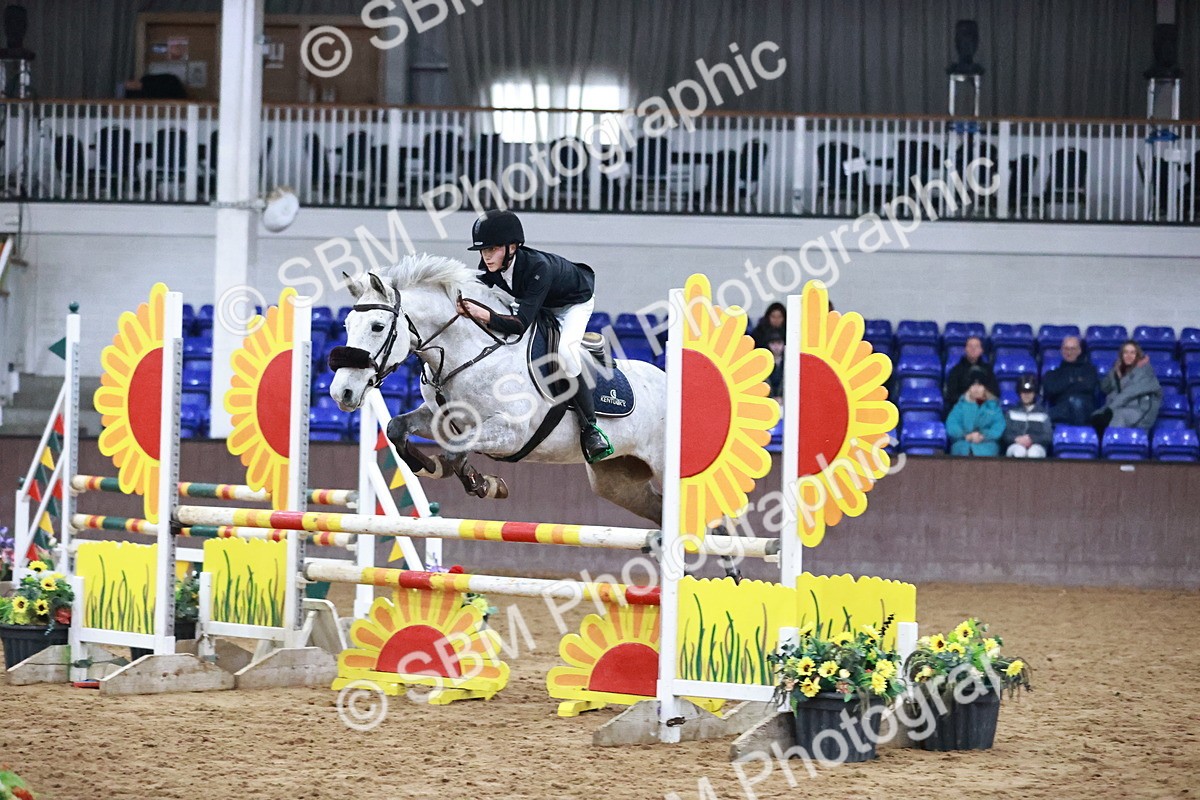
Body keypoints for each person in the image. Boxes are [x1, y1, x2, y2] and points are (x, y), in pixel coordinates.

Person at [458, 209, 612, 463]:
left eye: (492, 249)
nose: (486, 256)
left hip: (573, 304)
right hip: (541, 302)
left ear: (512, 247)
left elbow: (519, 324)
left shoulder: (537, 267)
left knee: (565, 353)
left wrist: (482, 314)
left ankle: (591, 428)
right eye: (483, 251)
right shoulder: (493, 266)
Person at [1091, 340, 1162, 433]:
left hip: (1139, 410)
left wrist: (1110, 409)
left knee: (1117, 417)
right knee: (1095, 417)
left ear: (1137, 355)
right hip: (1120, 406)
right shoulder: (1119, 369)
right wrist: (1114, 372)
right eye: (1126, 352)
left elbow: (1129, 393)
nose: (1129, 356)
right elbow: (1104, 388)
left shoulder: (1144, 371)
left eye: (1132, 353)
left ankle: (1115, 445)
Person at [1042, 335, 1098, 425]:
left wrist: (1064, 384)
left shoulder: (1089, 370)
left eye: (1073, 349)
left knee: (1075, 402)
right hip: (1061, 410)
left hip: (1084, 411)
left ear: (1079, 351)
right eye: (1066, 349)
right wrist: (1075, 381)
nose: (1069, 352)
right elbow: (1051, 390)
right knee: (1040, 418)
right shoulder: (1052, 374)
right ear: (1061, 351)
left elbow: (1088, 386)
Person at [946, 376, 1005, 456]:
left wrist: (983, 436)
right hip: (963, 443)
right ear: (969, 388)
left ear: (985, 388)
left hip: (987, 444)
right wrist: (966, 436)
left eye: (980, 385)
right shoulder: (960, 406)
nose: (976, 389)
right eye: (973, 385)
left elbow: (999, 426)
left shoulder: (993, 407)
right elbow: (952, 425)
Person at [943, 336, 1000, 411]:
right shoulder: (955, 370)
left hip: (985, 410)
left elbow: (995, 394)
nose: (973, 349)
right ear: (965, 349)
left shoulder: (988, 370)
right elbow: (950, 396)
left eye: (976, 346)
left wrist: (980, 399)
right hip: (962, 410)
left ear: (981, 350)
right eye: (970, 346)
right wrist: (969, 397)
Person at [1003, 374, 1053, 458]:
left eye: (1030, 392)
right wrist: (1016, 439)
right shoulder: (1011, 412)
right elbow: (1005, 434)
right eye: (1023, 392)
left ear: (1034, 393)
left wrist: (1032, 440)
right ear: (1019, 393)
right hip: (1016, 444)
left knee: (1034, 453)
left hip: (1037, 446)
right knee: (1018, 452)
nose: (1026, 395)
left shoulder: (1043, 413)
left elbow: (1048, 436)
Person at [764, 330, 784, 400]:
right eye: (773, 343)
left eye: (779, 343)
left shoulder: (788, 363)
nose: (776, 347)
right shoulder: (764, 363)